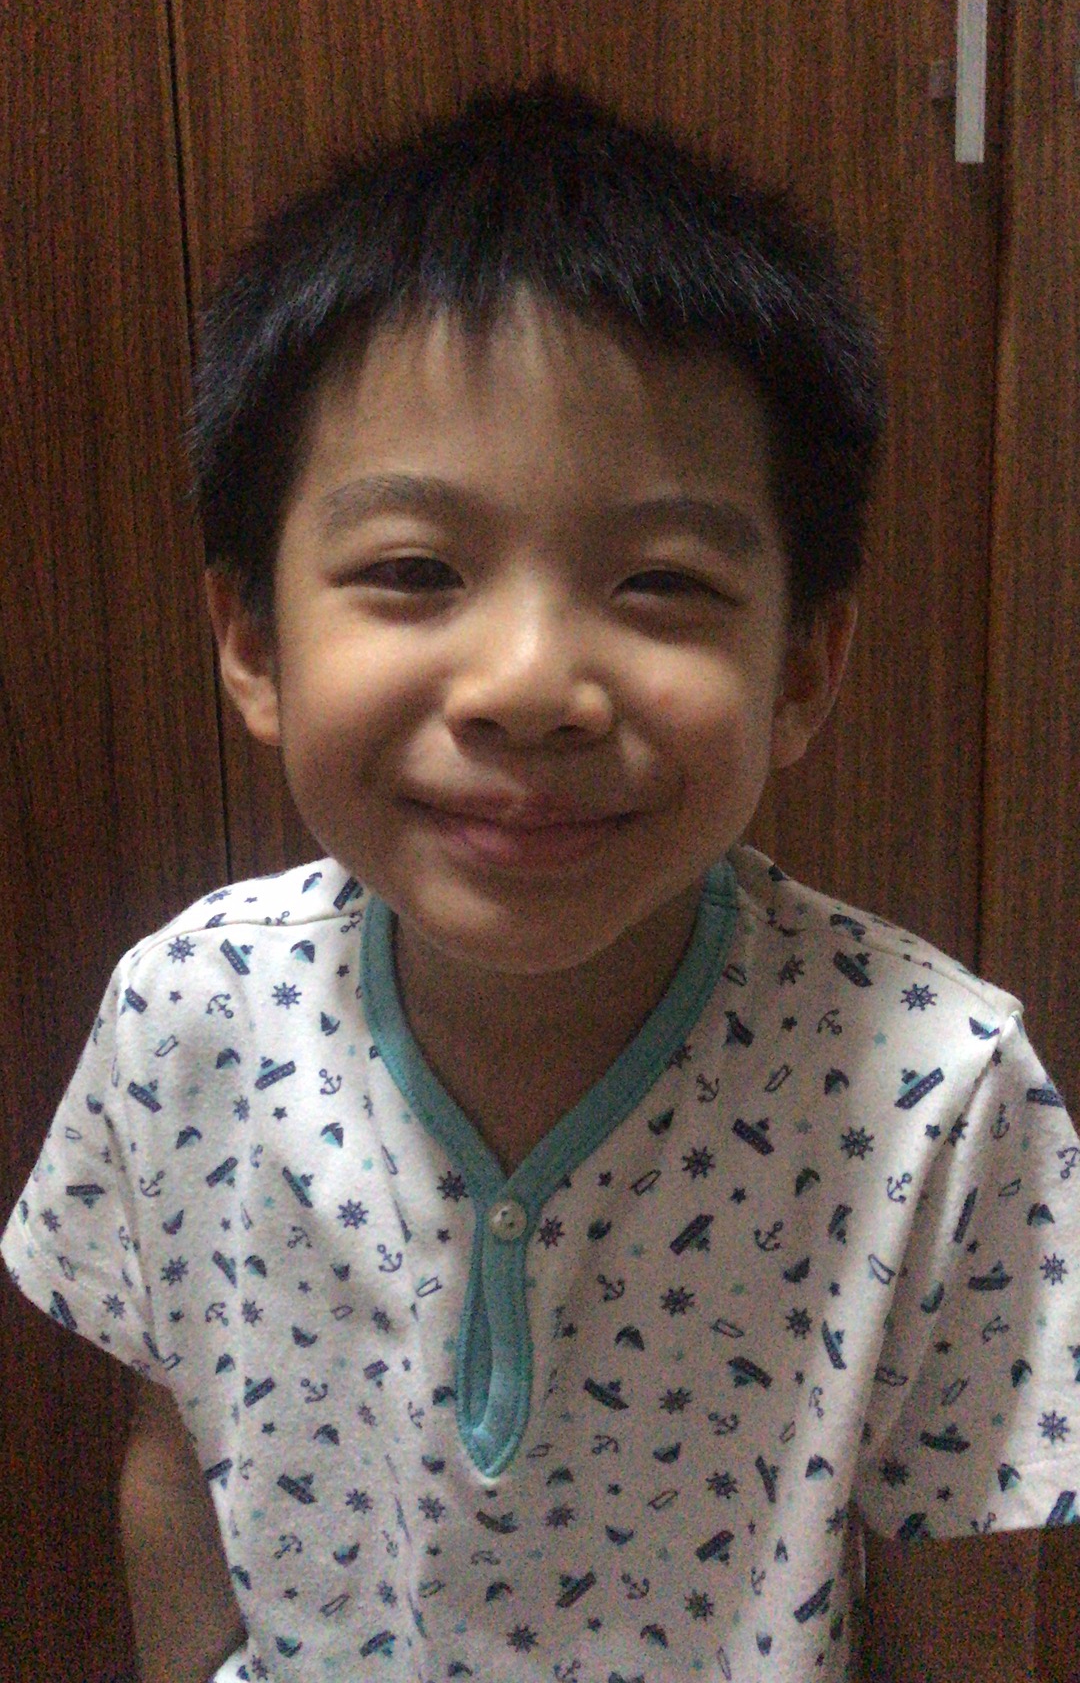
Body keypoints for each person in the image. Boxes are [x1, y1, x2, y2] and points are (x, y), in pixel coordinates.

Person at [2, 82, 1073, 1683]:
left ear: (802, 667)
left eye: (660, 582)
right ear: (254, 642)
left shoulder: (941, 1092)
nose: (526, 686)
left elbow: (967, 1595)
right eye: (414, 571)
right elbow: (175, 1471)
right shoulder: (184, 1016)